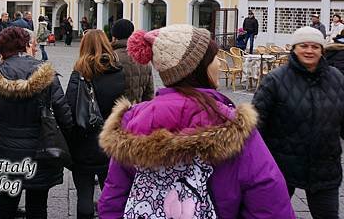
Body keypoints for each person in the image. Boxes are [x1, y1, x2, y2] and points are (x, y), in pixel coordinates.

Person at [98, 24, 294, 218]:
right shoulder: (231, 122)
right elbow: (267, 199)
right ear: (197, 67)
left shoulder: (131, 121)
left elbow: (113, 199)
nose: (219, 63)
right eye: (214, 58)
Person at [253, 26, 344, 218]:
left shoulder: (336, 78)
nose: (309, 51)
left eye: (315, 46)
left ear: (322, 50)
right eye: (303, 45)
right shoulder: (275, 80)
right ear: (294, 48)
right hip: (282, 165)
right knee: (275, 215)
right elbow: (256, 123)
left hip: (324, 166)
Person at [0, 27, 73, 218]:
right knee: (38, 206)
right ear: (26, 45)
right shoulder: (44, 72)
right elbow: (63, 112)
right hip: (41, 149)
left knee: (4, 206)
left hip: (8, 148)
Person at [66, 29, 126, 219]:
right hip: (110, 140)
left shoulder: (79, 73)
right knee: (111, 191)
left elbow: (69, 107)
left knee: (84, 191)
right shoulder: (119, 72)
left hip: (83, 141)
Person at [110, 19, 154, 103]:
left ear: (114, 36)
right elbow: (149, 93)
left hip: (116, 112)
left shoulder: (111, 57)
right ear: (132, 34)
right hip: (138, 111)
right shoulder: (142, 57)